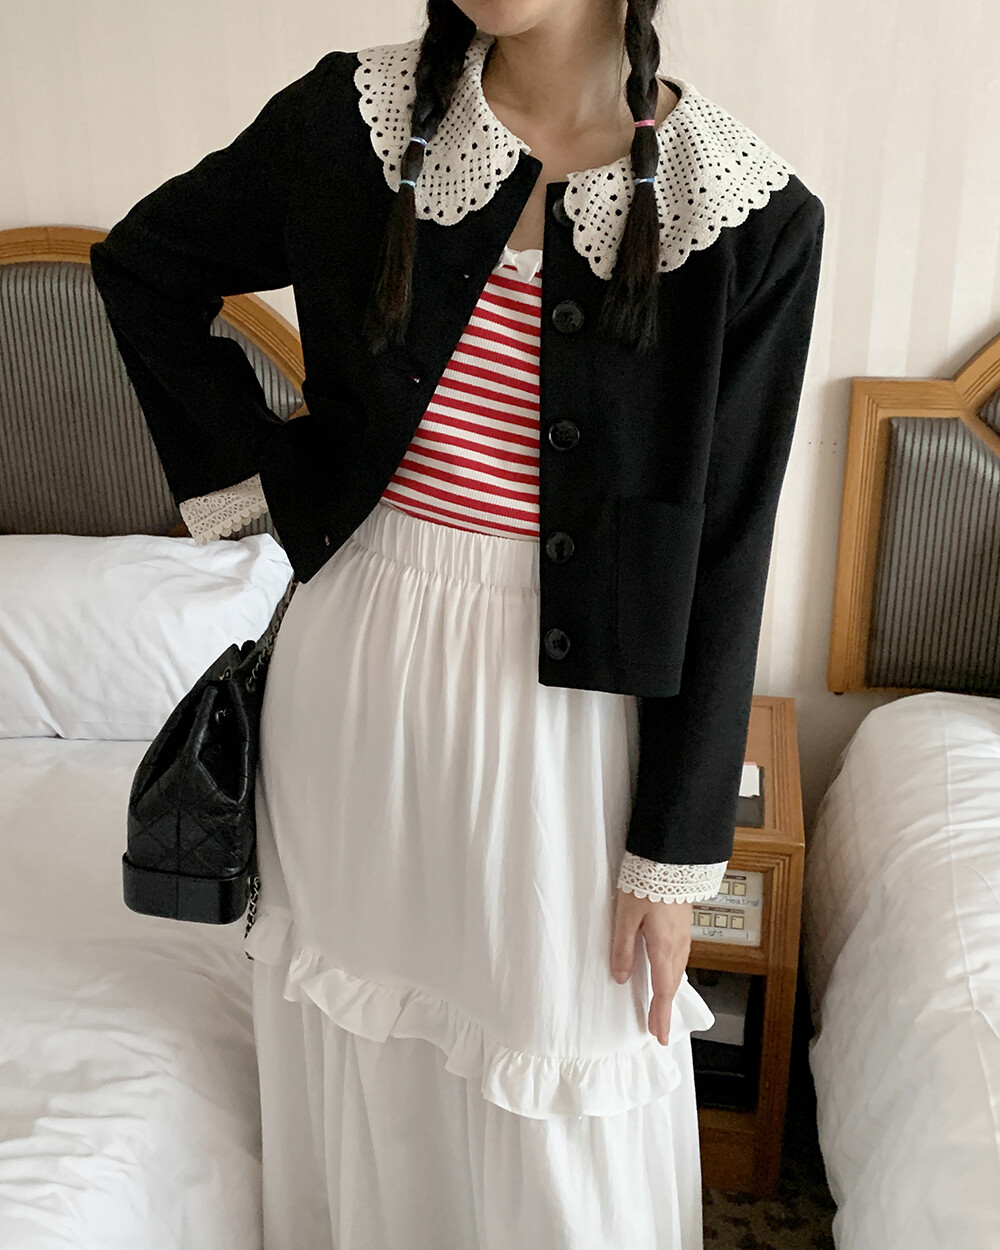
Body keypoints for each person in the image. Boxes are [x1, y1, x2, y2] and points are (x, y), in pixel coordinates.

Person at [89, 1, 825, 1246]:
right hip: (351, 666)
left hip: (567, 716)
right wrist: (266, 482)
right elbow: (145, 266)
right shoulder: (354, 119)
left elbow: (725, 553)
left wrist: (673, 852)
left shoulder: (745, 215)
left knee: (559, 1063)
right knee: (358, 1039)